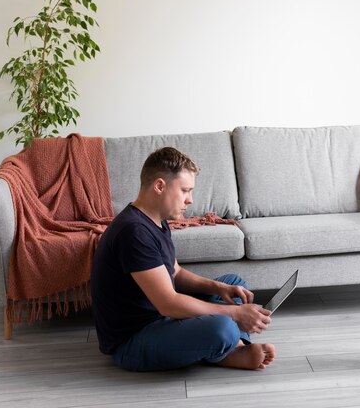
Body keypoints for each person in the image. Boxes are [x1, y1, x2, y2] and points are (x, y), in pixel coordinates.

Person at [91, 147, 275, 371]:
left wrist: (218, 288)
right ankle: (230, 346)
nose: (190, 200)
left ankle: (231, 347)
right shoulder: (133, 231)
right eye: (185, 190)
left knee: (234, 284)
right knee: (224, 325)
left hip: (162, 319)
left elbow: (175, 273)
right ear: (160, 186)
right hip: (133, 340)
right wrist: (235, 314)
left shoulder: (156, 220)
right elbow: (168, 303)